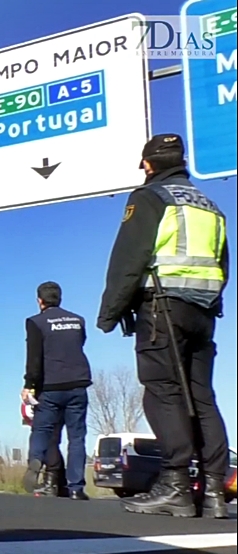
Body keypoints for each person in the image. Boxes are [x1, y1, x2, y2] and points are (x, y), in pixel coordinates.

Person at [96, 133, 230, 519]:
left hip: (162, 311)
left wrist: (110, 312)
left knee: (164, 394)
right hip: (203, 313)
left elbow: (128, 259)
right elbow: (223, 266)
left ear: (148, 164)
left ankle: (174, 486)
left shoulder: (149, 197)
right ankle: (214, 492)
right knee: (202, 398)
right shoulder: (210, 206)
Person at [23, 281, 92, 500]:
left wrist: (29, 385)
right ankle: (76, 487)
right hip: (78, 383)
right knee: (77, 437)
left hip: (51, 386)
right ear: (60, 299)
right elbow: (80, 343)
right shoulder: (78, 320)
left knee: (42, 430)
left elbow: (34, 358)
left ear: (39, 300)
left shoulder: (36, 322)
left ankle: (35, 460)